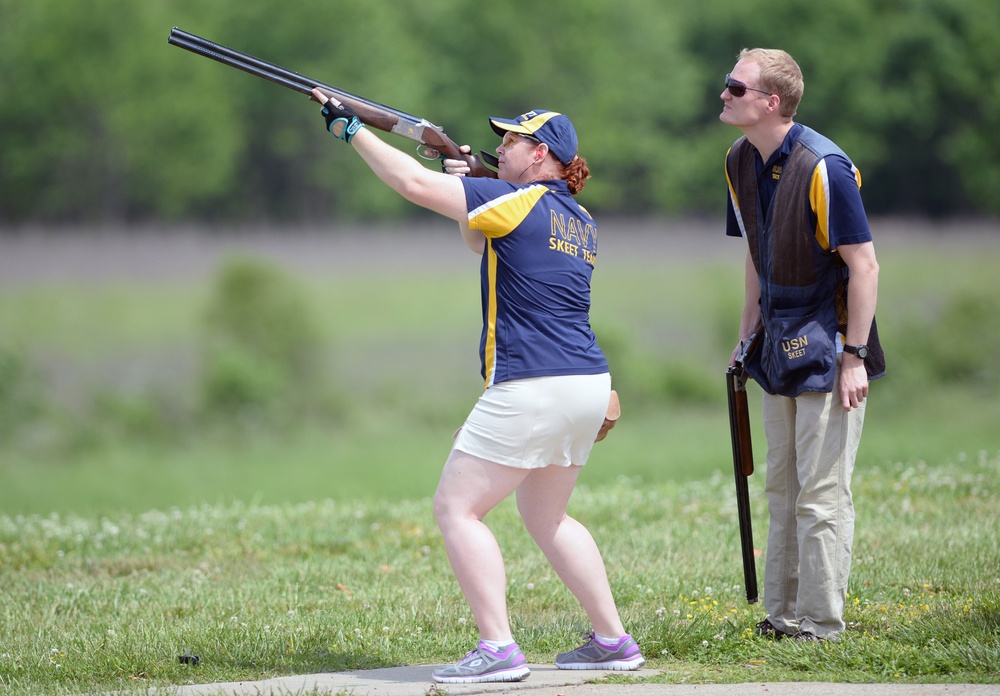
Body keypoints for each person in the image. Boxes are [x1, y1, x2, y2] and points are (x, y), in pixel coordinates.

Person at [310, 88, 644, 683]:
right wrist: (461, 173)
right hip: (588, 383)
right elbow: (477, 236)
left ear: (539, 154)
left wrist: (350, 130)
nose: (501, 146)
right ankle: (614, 640)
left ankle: (498, 649)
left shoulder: (516, 199)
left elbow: (413, 188)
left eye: (512, 140)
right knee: (549, 518)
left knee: (456, 509)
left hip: (531, 381)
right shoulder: (578, 217)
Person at [719, 49, 886, 642]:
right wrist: (746, 334)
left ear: (771, 102)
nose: (723, 93)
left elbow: (863, 267)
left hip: (829, 339)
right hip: (775, 340)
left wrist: (853, 356)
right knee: (781, 487)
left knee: (820, 495)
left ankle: (821, 624)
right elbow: (755, 256)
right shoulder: (739, 159)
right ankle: (783, 617)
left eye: (736, 87)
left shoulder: (826, 167)